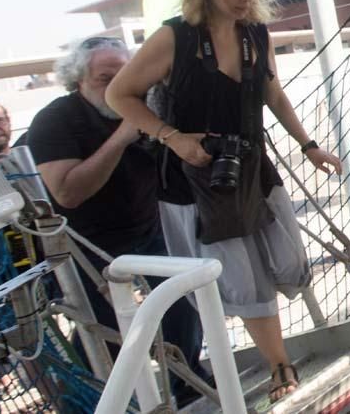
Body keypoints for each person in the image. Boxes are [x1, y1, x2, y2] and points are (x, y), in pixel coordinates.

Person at [106, 0, 342, 403]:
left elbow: (274, 95)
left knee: (289, 261)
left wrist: (309, 145)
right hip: (199, 183)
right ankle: (280, 364)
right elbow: (120, 94)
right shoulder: (175, 38)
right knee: (244, 277)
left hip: (252, 166)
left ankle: (276, 353)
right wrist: (172, 137)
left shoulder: (256, 34)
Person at [26, 37, 211, 405]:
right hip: (87, 246)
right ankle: (88, 402)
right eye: (104, 79)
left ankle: (189, 384)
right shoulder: (55, 120)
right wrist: (122, 137)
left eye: (125, 75)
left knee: (183, 306)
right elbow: (67, 193)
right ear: (78, 81)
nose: (115, 86)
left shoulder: (148, 106)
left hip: (148, 228)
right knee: (104, 334)